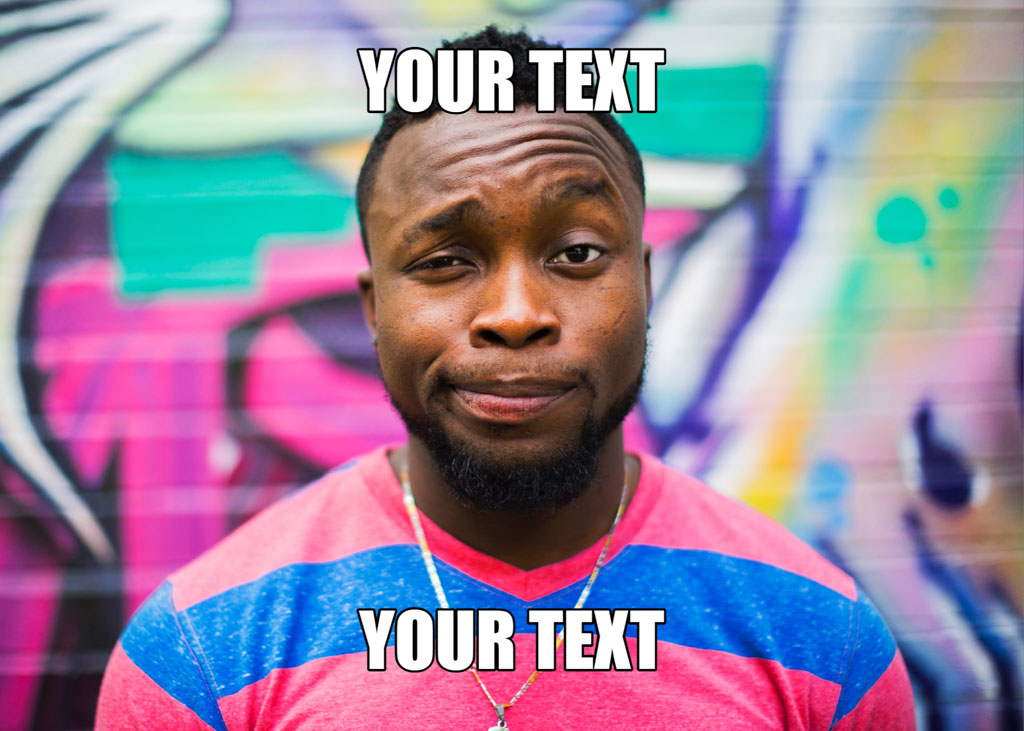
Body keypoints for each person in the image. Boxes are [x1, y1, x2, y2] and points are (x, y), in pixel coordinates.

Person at [96, 26, 915, 730]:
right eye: (446, 261)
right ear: (375, 309)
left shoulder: (822, 643)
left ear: (645, 285)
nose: (517, 314)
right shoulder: (202, 655)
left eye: (577, 254)